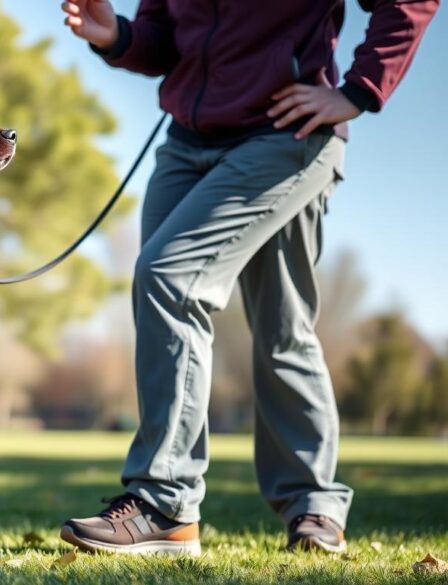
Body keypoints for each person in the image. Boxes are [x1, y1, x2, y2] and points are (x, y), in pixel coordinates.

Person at [58, 0, 439, 555]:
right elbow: (166, 39)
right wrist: (117, 35)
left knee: (175, 281)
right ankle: (311, 505)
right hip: (188, 144)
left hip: (287, 135)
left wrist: (357, 91)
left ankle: (166, 502)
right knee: (269, 323)